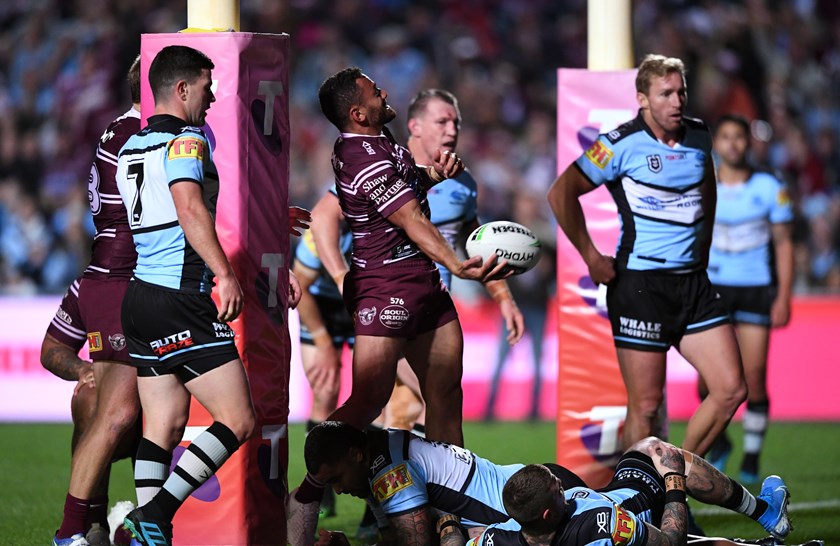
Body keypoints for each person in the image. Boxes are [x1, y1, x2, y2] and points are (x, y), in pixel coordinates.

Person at [287, 67, 509, 546]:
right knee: (369, 399)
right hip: (385, 289)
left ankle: (453, 515)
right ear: (357, 112)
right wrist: (457, 263)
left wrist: (432, 175)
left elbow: (408, 190)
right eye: (374, 91)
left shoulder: (382, 142)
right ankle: (305, 495)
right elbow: (409, 219)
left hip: (424, 287)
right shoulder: (359, 155)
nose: (384, 92)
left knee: (445, 397)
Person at [113, 45, 302, 546]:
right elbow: (190, 209)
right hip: (181, 297)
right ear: (181, 89)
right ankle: (156, 514)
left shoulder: (131, 147)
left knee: (164, 425)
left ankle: (152, 534)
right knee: (238, 419)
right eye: (205, 86)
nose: (212, 96)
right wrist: (225, 274)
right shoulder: (187, 141)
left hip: (140, 299)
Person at [547, 54, 746, 455]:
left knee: (731, 390)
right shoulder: (618, 144)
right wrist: (591, 256)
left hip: (693, 284)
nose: (677, 101)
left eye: (681, 92)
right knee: (646, 406)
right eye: (666, 93)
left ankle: (677, 479)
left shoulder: (699, 136)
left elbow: (707, 190)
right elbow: (560, 193)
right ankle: (634, 489)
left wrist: (703, 245)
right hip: (641, 287)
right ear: (642, 99)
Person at [45, 55, 143, 546]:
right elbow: (51, 350)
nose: (207, 96)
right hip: (127, 279)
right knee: (96, 401)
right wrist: (81, 368)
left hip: (146, 280)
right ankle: (89, 523)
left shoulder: (117, 135)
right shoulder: (138, 137)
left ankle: (143, 520)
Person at [469, 436, 792, 546]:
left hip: (616, 511)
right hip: (640, 501)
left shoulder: (499, 537)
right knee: (654, 449)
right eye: (558, 490)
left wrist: (447, 524)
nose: (564, 489)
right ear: (547, 513)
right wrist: (673, 481)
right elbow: (671, 542)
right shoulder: (601, 524)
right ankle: (765, 511)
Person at [305, 421, 586, 546]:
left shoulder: (389, 472)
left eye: (336, 479)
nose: (338, 490)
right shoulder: (375, 458)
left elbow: (415, 544)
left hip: (543, 509)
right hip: (539, 489)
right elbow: (394, 540)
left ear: (355, 454)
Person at [700, 114, 794, 484]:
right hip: (713, 288)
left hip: (755, 287)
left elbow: (784, 243)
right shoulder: (703, 182)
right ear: (717, 143)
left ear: (748, 143)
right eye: (725, 137)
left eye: (739, 137)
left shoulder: (769, 186)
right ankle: (721, 441)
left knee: (754, 377)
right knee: (706, 381)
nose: (733, 144)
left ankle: (752, 456)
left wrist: (783, 295)